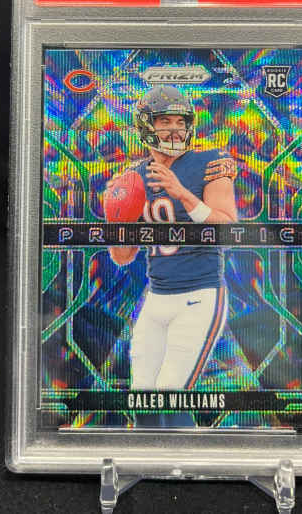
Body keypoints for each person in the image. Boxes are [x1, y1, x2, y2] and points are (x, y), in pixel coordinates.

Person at [106, 85, 237, 400]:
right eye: (165, 121)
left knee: (170, 394)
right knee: (141, 397)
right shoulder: (135, 177)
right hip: (155, 297)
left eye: (181, 121)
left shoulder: (210, 161)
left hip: (199, 293)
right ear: (146, 125)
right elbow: (122, 257)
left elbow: (229, 230)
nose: (175, 129)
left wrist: (182, 193)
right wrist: (116, 217)